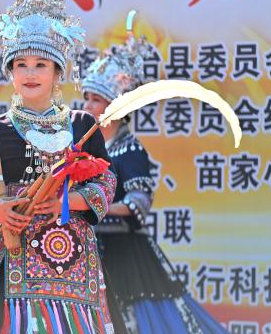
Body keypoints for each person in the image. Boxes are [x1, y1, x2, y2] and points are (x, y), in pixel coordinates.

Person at [0, 0, 117, 334]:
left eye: (40, 65)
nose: (30, 73)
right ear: (10, 72)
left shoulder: (83, 124)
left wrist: (71, 202)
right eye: (21, 64)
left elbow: (106, 181)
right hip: (15, 252)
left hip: (75, 259)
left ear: (57, 72)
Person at [81, 32, 228, 333]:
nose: (87, 106)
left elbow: (139, 202)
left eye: (96, 99)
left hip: (123, 253)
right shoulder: (83, 151)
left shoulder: (130, 150)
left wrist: (93, 204)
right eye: (86, 98)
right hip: (87, 249)